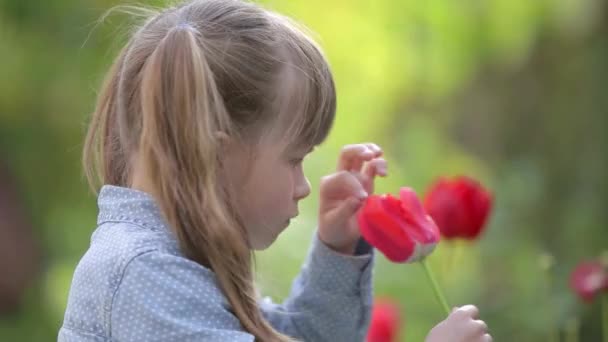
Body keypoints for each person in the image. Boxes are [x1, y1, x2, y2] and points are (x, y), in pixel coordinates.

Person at [58, 1, 492, 341]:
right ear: (215, 155)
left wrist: (337, 250)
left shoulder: (173, 262)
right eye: (294, 158)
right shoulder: (145, 275)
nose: (305, 187)